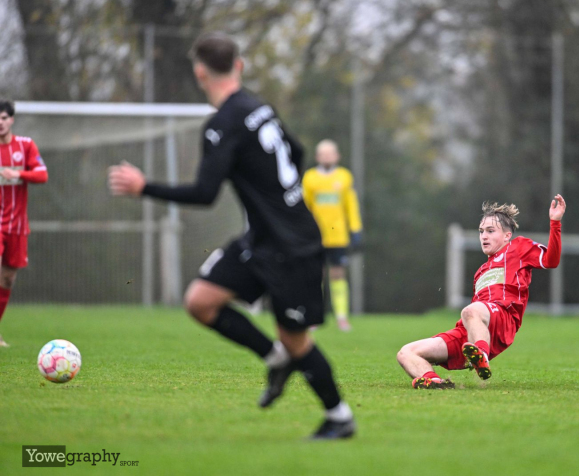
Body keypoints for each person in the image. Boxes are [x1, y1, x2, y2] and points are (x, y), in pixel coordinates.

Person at [108, 32, 355, 439]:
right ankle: (274, 359)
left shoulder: (223, 124)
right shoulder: (260, 107)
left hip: (292, 246)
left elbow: (205, 194)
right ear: (238, 66)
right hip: (264, 238)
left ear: (200, 72)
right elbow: (295, 152)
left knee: (297, 341)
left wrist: (143, 187)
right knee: (200, 301)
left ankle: (340, 416)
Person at [397, 196, 565, 388]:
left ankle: (480, 355)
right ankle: (436, 382)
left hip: (503, 316)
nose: (484, 236)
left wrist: (555, 222)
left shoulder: (518, 247)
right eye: (481, 231)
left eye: (490, 231)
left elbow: (552, 260)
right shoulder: (481, 272)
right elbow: (475, 314)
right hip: (471, 329)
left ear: (507, 235)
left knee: (471, 310)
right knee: (406, 352)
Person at [0, 100, 49, 348]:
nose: (0, 122)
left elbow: (42, 174)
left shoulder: (25, 145)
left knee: (7, 279)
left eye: (4, 117)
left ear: (12, 120)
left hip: (17, 225)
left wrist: (17, 173)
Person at [302, 140, 363, 331]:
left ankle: (342, 317)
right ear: (317, 157)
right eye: (323, 153)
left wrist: (355, 228)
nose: (327, 157)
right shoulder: (310, 177)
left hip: (338, 237)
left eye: (330, 153)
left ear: (337, 156)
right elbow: (304, 206)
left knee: (338, 275)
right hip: (315, 236)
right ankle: (314, 317)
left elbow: (350, 204)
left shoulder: (344, 176)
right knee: (314, 275)